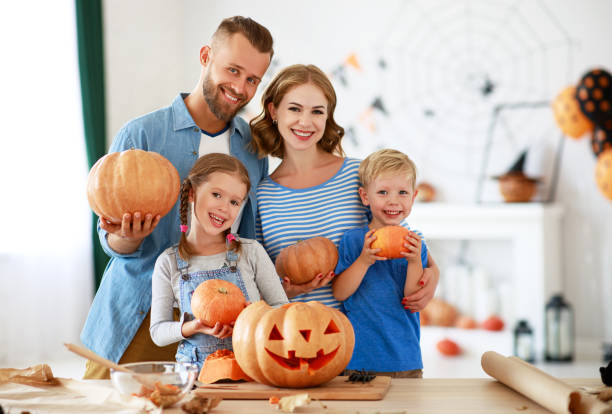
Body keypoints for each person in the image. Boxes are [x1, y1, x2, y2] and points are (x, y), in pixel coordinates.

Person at [80, 16, 274, 379]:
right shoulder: (142, 134)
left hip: (216, 324)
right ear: (205, 56)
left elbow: (248, 237)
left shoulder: (254, 148)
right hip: (137, 315)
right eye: (232, 70)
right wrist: (129, 237)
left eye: (252, 79)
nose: (239, 87)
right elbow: (110, 239)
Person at [250, 64, 439, 310]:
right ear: (274, 111)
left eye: (317, 112)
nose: (305, 122)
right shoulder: (262, 195)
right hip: (293, 335)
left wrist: (433, 273)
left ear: (327, 116)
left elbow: (397, 235)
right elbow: (257, 283)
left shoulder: (357, 174)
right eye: (294, 109)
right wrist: (288, 289)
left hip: (362, 335)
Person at [149, 153, 288, 369]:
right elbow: (158, 333)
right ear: (192, 194)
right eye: (216, 195)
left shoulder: (251, 252)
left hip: (251, 370)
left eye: (234, 201)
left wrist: (253, 319)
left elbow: (282, 310)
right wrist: (194, 326)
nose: (225, 207)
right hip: (195, 378)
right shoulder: (169, 262)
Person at [332, 149, 431, 378]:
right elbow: (340, 292)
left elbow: (413, 298)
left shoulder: (417, 245)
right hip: (359, 360)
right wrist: (364, 261)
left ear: (413, 197)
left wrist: (415, 261)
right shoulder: (354, 240)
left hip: (405, 359)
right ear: (365, 197)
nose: (393, 201)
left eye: (402, 192)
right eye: (383, 192)